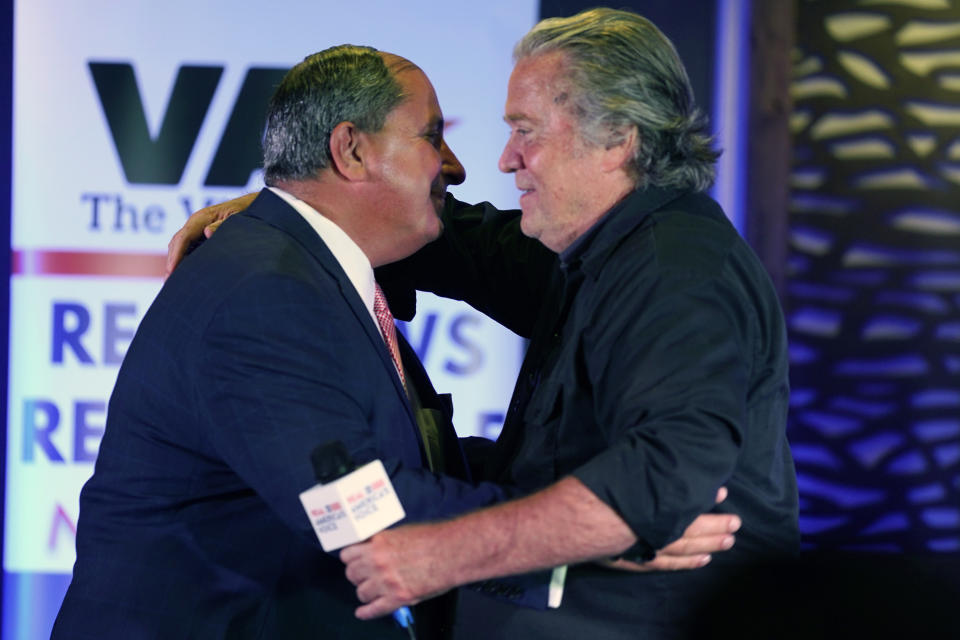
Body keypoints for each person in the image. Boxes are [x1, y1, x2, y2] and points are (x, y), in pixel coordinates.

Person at [57, 42, 736, 640]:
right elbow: (358, 507)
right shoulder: (264, 289)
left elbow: (398, 458)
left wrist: (587, 512)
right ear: (350, 150)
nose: (463, 166)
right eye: (432, 136)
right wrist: (592, 528)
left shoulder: (304, 268)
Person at [339, 9, 799, 639]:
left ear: (618, 138)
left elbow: (658, 484)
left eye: (526, 130)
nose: (505, 159)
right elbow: (450, 242)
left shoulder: (677, 275)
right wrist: (282, 211)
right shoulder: (596, 251)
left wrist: (436, 555)